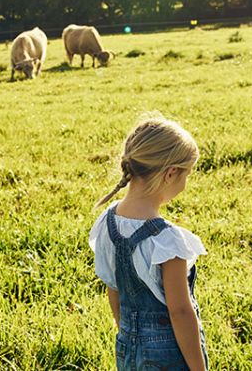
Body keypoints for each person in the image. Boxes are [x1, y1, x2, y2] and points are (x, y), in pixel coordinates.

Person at [89, 115, 209, 370]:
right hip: (168, 355)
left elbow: (113, 288)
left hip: (127, 346)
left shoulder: (107, 222)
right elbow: (180, 313)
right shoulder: (167, 241)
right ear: (171, 173)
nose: (185, 183)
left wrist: (131, 335)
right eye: (186, 174)